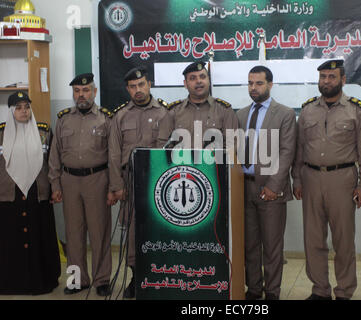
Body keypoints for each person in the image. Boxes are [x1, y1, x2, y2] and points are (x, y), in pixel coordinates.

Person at [292, 59, 361, 300]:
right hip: (310, 178)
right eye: (323, 77)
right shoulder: (308, 110)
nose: (326, 81)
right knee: (314, 240)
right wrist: (296, 179)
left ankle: (344, 291)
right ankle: (320, 290)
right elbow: (299, 148)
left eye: (331, 77)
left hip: (343, 179)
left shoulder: (357, 110)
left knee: (343, 241)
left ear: (343, 80)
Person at [108, 66, 174, 298]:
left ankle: (158, 275)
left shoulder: (165, 114)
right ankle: (136, 277)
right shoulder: (120, 116)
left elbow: (167, 151)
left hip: (157, 181)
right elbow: (114, 154)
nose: (138, 90)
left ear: (149, 84)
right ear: (128, 89)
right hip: (129, 181)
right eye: (133, 86)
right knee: (133, 233)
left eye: (142, 85)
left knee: (159, 230)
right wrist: (117, 186)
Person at [48, 73, 112, 296]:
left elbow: (113, 156)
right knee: (74, 234)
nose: (81, 95)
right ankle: (77, 280)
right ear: (73, 94)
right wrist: (55, 184)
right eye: (77, 91)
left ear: (94, 92)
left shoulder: (106, 118)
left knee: (99, 232)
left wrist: (114, 186)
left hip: (97, 180)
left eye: (86, 90)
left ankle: (102, 280)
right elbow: (55, 155)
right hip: (69, 181)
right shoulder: (64, 119)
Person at [236, 65, 296, 300]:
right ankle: (254, 289)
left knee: (271, 247)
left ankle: (272, 292)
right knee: (250, 245)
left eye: (259, 83)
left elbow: (287, 152)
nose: (254, 88)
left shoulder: (285, 114)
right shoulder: (240, 115)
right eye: (250, 83)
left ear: (270, 85)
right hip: (244, 188)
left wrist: (274, 185)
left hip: (271, 189)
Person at [0, 91, 60, 295]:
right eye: (18, 107)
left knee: (39, 237)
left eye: (26, 107)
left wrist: (54, 188)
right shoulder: (0, 133)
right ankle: (11, 282)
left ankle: (41, 281)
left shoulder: (43, 131)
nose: (23, 111)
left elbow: (52, 164)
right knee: (10, 241)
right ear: (11, 111)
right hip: (8, 196)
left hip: (37, 193)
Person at [168, 61, 238, 149]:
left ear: (208, 80)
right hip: (181, 162)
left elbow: (232, 146)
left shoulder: (224, 110)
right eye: (193, 78)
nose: (199, 81)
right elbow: (163, 145)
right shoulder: (174, 111)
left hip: (214, 162)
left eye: (202, 77)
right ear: (185, 84)